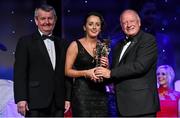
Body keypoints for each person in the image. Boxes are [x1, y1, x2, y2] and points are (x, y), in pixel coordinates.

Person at [94, 9, 160, 117]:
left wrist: (110, 73)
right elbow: (117, 72)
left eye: (131, 21)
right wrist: (105, 69)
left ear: (139, 22)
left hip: (142, 106)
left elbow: (140, 66)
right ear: (121, 25)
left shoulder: (148, 40)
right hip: (122, 106)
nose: (128, 25)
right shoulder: (118, 45)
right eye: (124, 22)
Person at [13, 4, 71, 117]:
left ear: (55, 20)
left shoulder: (63, 43)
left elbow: (66, 73)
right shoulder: (25, 42)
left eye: (50, 18)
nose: (47, 22)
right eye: (43, 18)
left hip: (58, 102)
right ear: (36, 21)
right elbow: (20, 73)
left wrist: (67, 98)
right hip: (34, 101)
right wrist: (21, 99)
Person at [65, 12, 108, 117]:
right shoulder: (75, 45)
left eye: (97, 24)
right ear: (84, 27)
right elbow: (67, 71)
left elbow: (105, 73)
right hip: (82, 95)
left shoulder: (103, 46)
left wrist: (106, 66)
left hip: (100, 95)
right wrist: (86, 73)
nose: (94, 27)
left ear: (100, 28)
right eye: (91, 24)